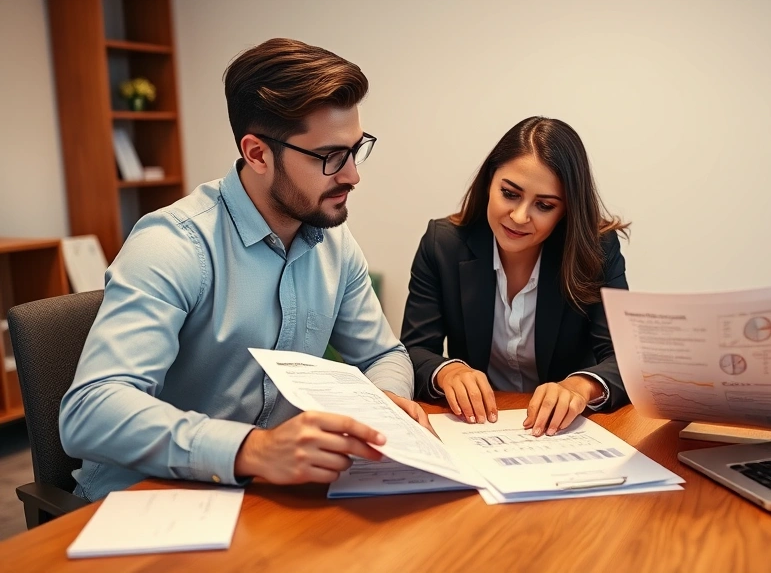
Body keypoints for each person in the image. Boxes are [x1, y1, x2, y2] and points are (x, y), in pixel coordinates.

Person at [60, 38, 427, 501]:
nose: (353, 175)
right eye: (331, 157)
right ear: (257, 154)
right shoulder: (172, 245)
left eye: (357, 149)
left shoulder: (333, 241)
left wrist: (384, 403)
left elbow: (382, 356)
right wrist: (252, 449)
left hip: (261, 497)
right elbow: (91, 412)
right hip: (147, 502)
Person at [401, 116, 631, 437]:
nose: (520, 216)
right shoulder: (443, 244)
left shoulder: (598, 249)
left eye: (544, 205)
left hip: (565, 431)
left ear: (566, 210)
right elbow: (413, 349)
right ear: (489, 183)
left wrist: (580, 387)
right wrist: (448, 371)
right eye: (509, 194)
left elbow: (625, 358)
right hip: (481, 427)